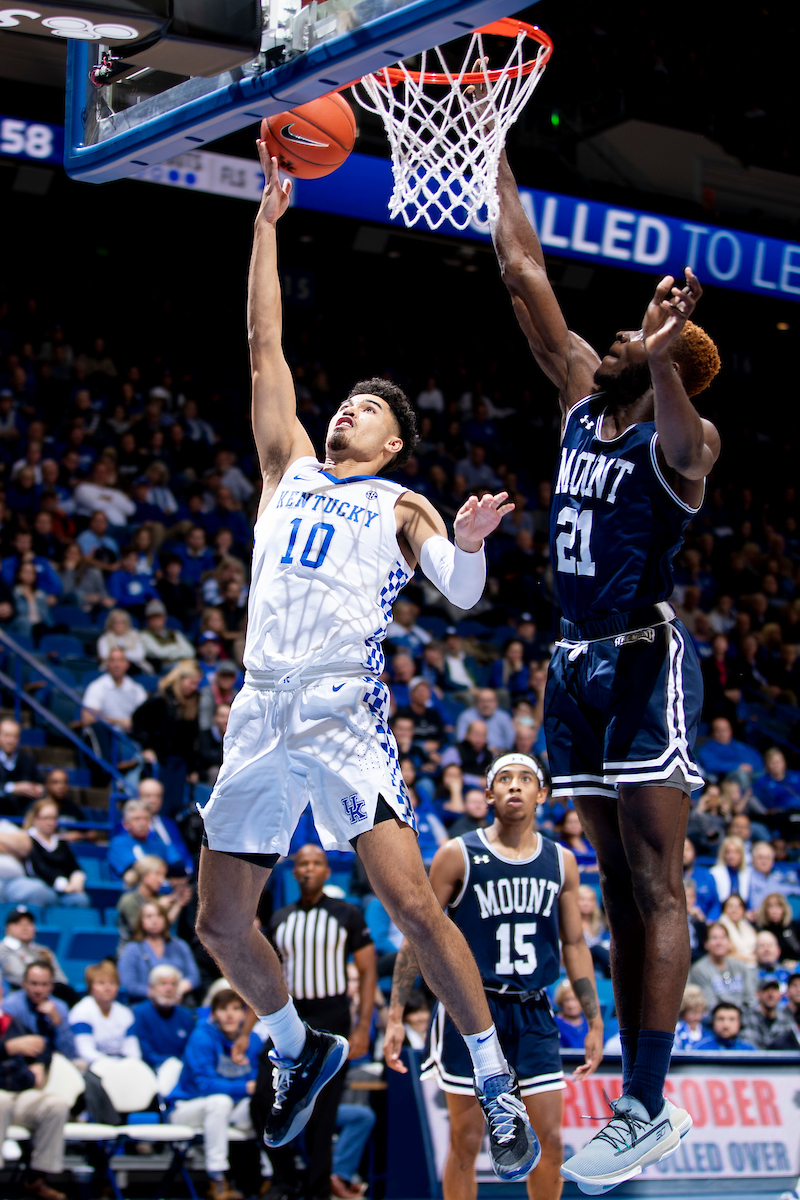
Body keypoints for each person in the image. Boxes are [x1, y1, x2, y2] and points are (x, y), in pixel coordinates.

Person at [194, 148, 538, 1179]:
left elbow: (460, 589)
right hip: (260, 711)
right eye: (344, 400)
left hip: (342, 720)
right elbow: (264, 347)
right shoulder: (288, 469)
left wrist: (469, 544)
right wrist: (264, 223)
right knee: (216, 921)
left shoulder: (399, 504)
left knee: (412, 906)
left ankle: (492, 1079)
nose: (346, 409)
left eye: (367, 410)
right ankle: (298, 1048)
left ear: (394, 444)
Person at [492, 145, 722, 1193]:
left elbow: (689, 443)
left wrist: (668, 353)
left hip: (638, 667)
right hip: (569, 667)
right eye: (631, 332)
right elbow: (524, 278)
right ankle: (636, 1107)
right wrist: (487, 150)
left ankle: (646, 1100)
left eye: (639, 336)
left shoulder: (683, 430)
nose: (621, 334)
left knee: (655, 882)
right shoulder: (584, 399)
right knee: (621, 901)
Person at [384, 752, 606, 1200]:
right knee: (466, 1142)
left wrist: (595, 1019)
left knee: (550, 1143)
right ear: (488, 794)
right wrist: (395, 1013)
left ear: (543, 794)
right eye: (504, 779)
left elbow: (575, 944)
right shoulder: (457, 854)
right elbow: (417, 935)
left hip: (534, 1011)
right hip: (471, 1011)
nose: (515, 786)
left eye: (526, 778)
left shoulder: (562, 861)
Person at [247, 845, 377, 1200]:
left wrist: (363, 1026)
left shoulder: (347, 913)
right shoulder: (280, 917)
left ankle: (318, 1190)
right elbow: (262, 977)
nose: (308, 869)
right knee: (262, 1099)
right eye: (302, 863)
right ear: (294, 872)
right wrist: (246, 1031)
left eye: (316, 863)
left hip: (332, 1016)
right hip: (290, 1016)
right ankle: (285, 1179)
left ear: (326, 871)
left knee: (324, 1112)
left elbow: (367, 973)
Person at [168, 988, 261, 1200]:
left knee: (262, 1104)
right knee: (220, 1101)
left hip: (230, 1110)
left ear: (244, 1014)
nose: (230, 1015)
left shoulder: (252, 1040)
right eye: (223, 1009)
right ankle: (217, 1178)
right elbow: (205, 1086)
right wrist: (244, 1088)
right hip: (187, 1107)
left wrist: (250, 1090)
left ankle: (264, 1176)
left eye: (236, 1009)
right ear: (213, 1014)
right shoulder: (202, 1037)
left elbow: (259, 1082)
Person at [0, 1006, 71, 1200]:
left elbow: (42, 1046)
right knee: (1, 1102)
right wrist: (7, 1048)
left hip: (20, 1093)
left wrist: (40, 1062)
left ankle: (36, 1180)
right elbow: (12, 1048)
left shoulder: (13, 1022)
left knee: (55, 1105)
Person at [117, 900, 200, 1001]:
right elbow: (128, 984)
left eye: (159, 915)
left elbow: (194, 977)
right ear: (141, 921)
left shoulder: (180, 945)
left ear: (165, 919)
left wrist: (178, 990)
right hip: (145, 1003)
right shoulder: (132, 949)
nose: (154, 920)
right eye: (149, 916)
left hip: (179, 1001)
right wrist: (156, 994)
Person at [2, 960, 78, 1062]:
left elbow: (69, 1053)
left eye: (44, 984)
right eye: (34, 983)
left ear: (51, 986)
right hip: (22, 1062)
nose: (38, 990)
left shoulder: (60, 1007)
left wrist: (58, 1024)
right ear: (24, 984)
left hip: (54, 1061)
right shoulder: (11, 1005)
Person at [20, 798, 90, 907]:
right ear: (35, 819)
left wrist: (77, 879)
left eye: (53, 818)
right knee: (47, 895)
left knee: (81, 899)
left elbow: (74, 866)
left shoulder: (61, 842)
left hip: (66, 890)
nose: (50, 822)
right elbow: (38, 868)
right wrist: (63, 885)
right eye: (46, 818)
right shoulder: (28, 839)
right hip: (43, 887)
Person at [131, 964, 197, 1069]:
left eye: (173, 984)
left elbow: (192, 1051)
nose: (168, 988)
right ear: (151, 988)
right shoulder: (139, 1014)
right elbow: (146, 1054)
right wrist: (172, 1064)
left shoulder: (187, 1016)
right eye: (163, 984)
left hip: (182, 1070)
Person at [108, 799, 188, 880]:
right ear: (125, 824)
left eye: (146, 819)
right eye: (136, 819)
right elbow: (133, 869)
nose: (142, 823)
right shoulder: (119, 843)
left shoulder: (159, 844)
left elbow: (180, 868)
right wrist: (164, 867)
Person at [688, 922, 757, 1012]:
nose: (719, 942)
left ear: (729, 943)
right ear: (706, 944)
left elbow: (751, 998)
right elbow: (710, 1005)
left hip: (744, 1018)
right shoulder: (699, 970)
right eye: (714, 938)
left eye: (723, 938)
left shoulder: (741, 966)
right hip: (716, 1020)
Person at [0, 907, 70, 995]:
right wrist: (44, 984)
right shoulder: (3, 948)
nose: (25, 927)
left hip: (51, 992)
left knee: (66, 992)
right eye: (19, 924)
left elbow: (62, 979)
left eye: (29, 924)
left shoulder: (44, 950)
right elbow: (18, 976)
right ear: (8, 928)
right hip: (20, 994)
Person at [0, 717, 43, 818]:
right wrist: (13, 788)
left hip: (23, 815)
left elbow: (39, 781)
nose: (10, 740)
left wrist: (38, 788)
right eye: (6, 735)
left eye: (14, 736)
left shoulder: (27, 760)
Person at [741, 975, 796, 1049]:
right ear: (758, 993)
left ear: (780, 994)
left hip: (780, 1059)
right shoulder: (746, 1017)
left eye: (774, 990)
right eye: (766, 990)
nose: (771, 994)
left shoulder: (787, 1020)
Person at [719, 894, 757, 964]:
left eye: (738, 907)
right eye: (730, 906)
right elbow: (729, 954)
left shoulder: (747, 925)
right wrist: (750, 958)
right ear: (724, 909)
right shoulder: (720, 928)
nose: (734, 910)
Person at [672, 984, 708, 1050]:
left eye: (700, 1013)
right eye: (693, 1013)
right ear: (684, 1012)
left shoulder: (705, 1030)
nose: (697, 1017)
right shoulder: (677, 1030)